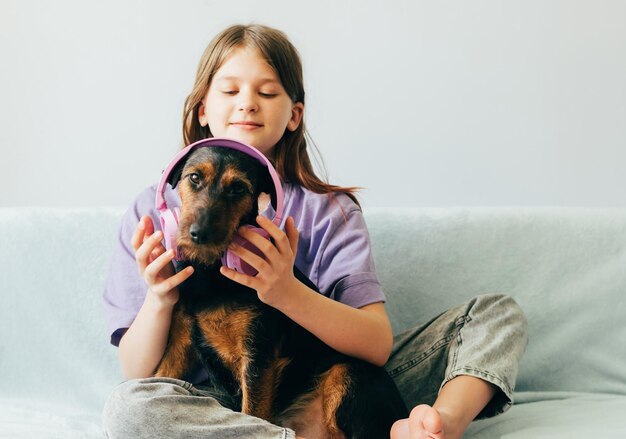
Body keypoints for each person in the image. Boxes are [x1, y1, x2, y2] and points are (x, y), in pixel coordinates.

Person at [102, 24, 528, 439]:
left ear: (294, 115)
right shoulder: (150, 212)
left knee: (495, 314)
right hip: (213, 406)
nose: (247, 104)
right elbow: (137, 372)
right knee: (128, 408)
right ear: (201, 109)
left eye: (267, 93)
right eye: (230, 91)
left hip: (335, 378)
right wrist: (160, 299)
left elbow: (376, 345)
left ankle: (438, 425)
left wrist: (285, 292)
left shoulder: (330, 212)